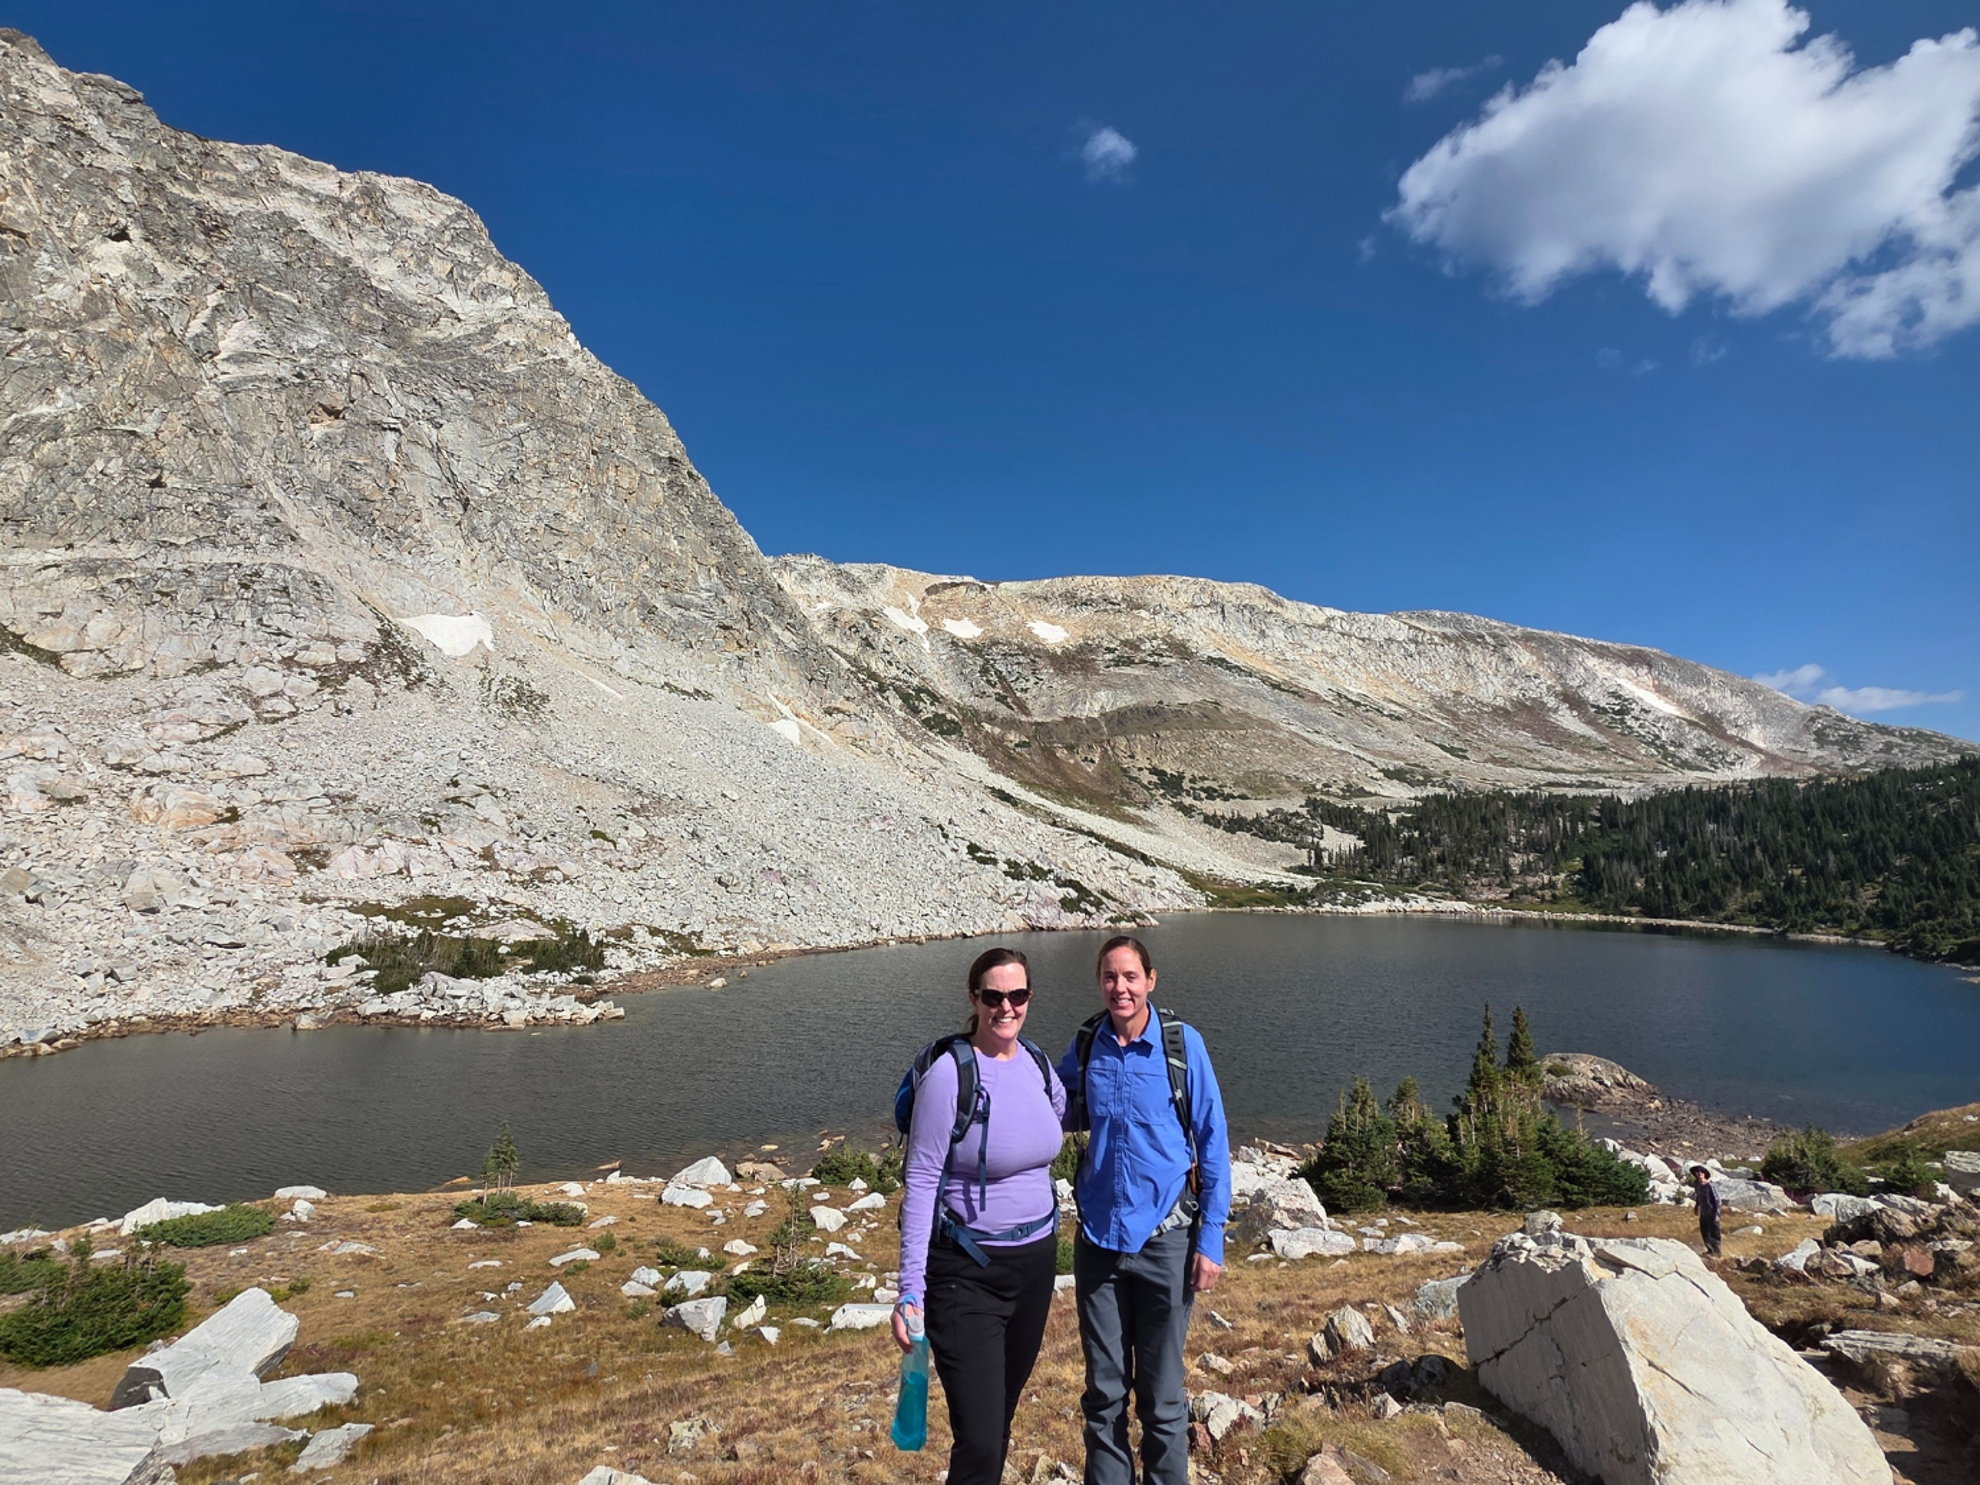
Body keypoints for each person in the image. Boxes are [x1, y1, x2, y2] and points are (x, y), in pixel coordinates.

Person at [1059, 935, 1229, 1485]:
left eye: (1130, 976)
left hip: (1166, 1240)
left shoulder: (1183, 1047)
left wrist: (1211, 1238)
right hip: (1099, 1244)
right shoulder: (1088, 1045)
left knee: (1161, 1393)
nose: (1120, 988)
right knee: (1104, 1392)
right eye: (1110, 977)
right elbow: (1051, 1106)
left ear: (1150, 980)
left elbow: (1212, 1141)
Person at [894, 947, 1068, 1485]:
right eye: (993, 996)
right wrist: (909, 1289)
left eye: (1017, 996)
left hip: (1036, 1266)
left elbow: (1058, 1115)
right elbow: (922, 1181)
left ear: (1029, 999)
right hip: (966, 1275)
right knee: (980, 1433)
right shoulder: (950, 1076)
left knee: (999, 1421)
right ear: (974, 999)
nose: (1005, 1008)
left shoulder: (1038, 1063)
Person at [1690, 1164, 1722, 1257]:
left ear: (1704, 1174)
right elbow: (1698, 1197)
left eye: (1701, 1172)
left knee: (1714, 1232)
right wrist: (1697, 1207)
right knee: (1704, 1232)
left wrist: (1717, 1214)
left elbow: (1717, 1200)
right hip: (1703, 1212)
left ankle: (1717, 1252)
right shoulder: (1697, 1184)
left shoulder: (1710, 1185)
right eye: (1697, 1173)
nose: (1699, 1174)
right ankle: (1710, 1250)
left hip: (1712, 1212)